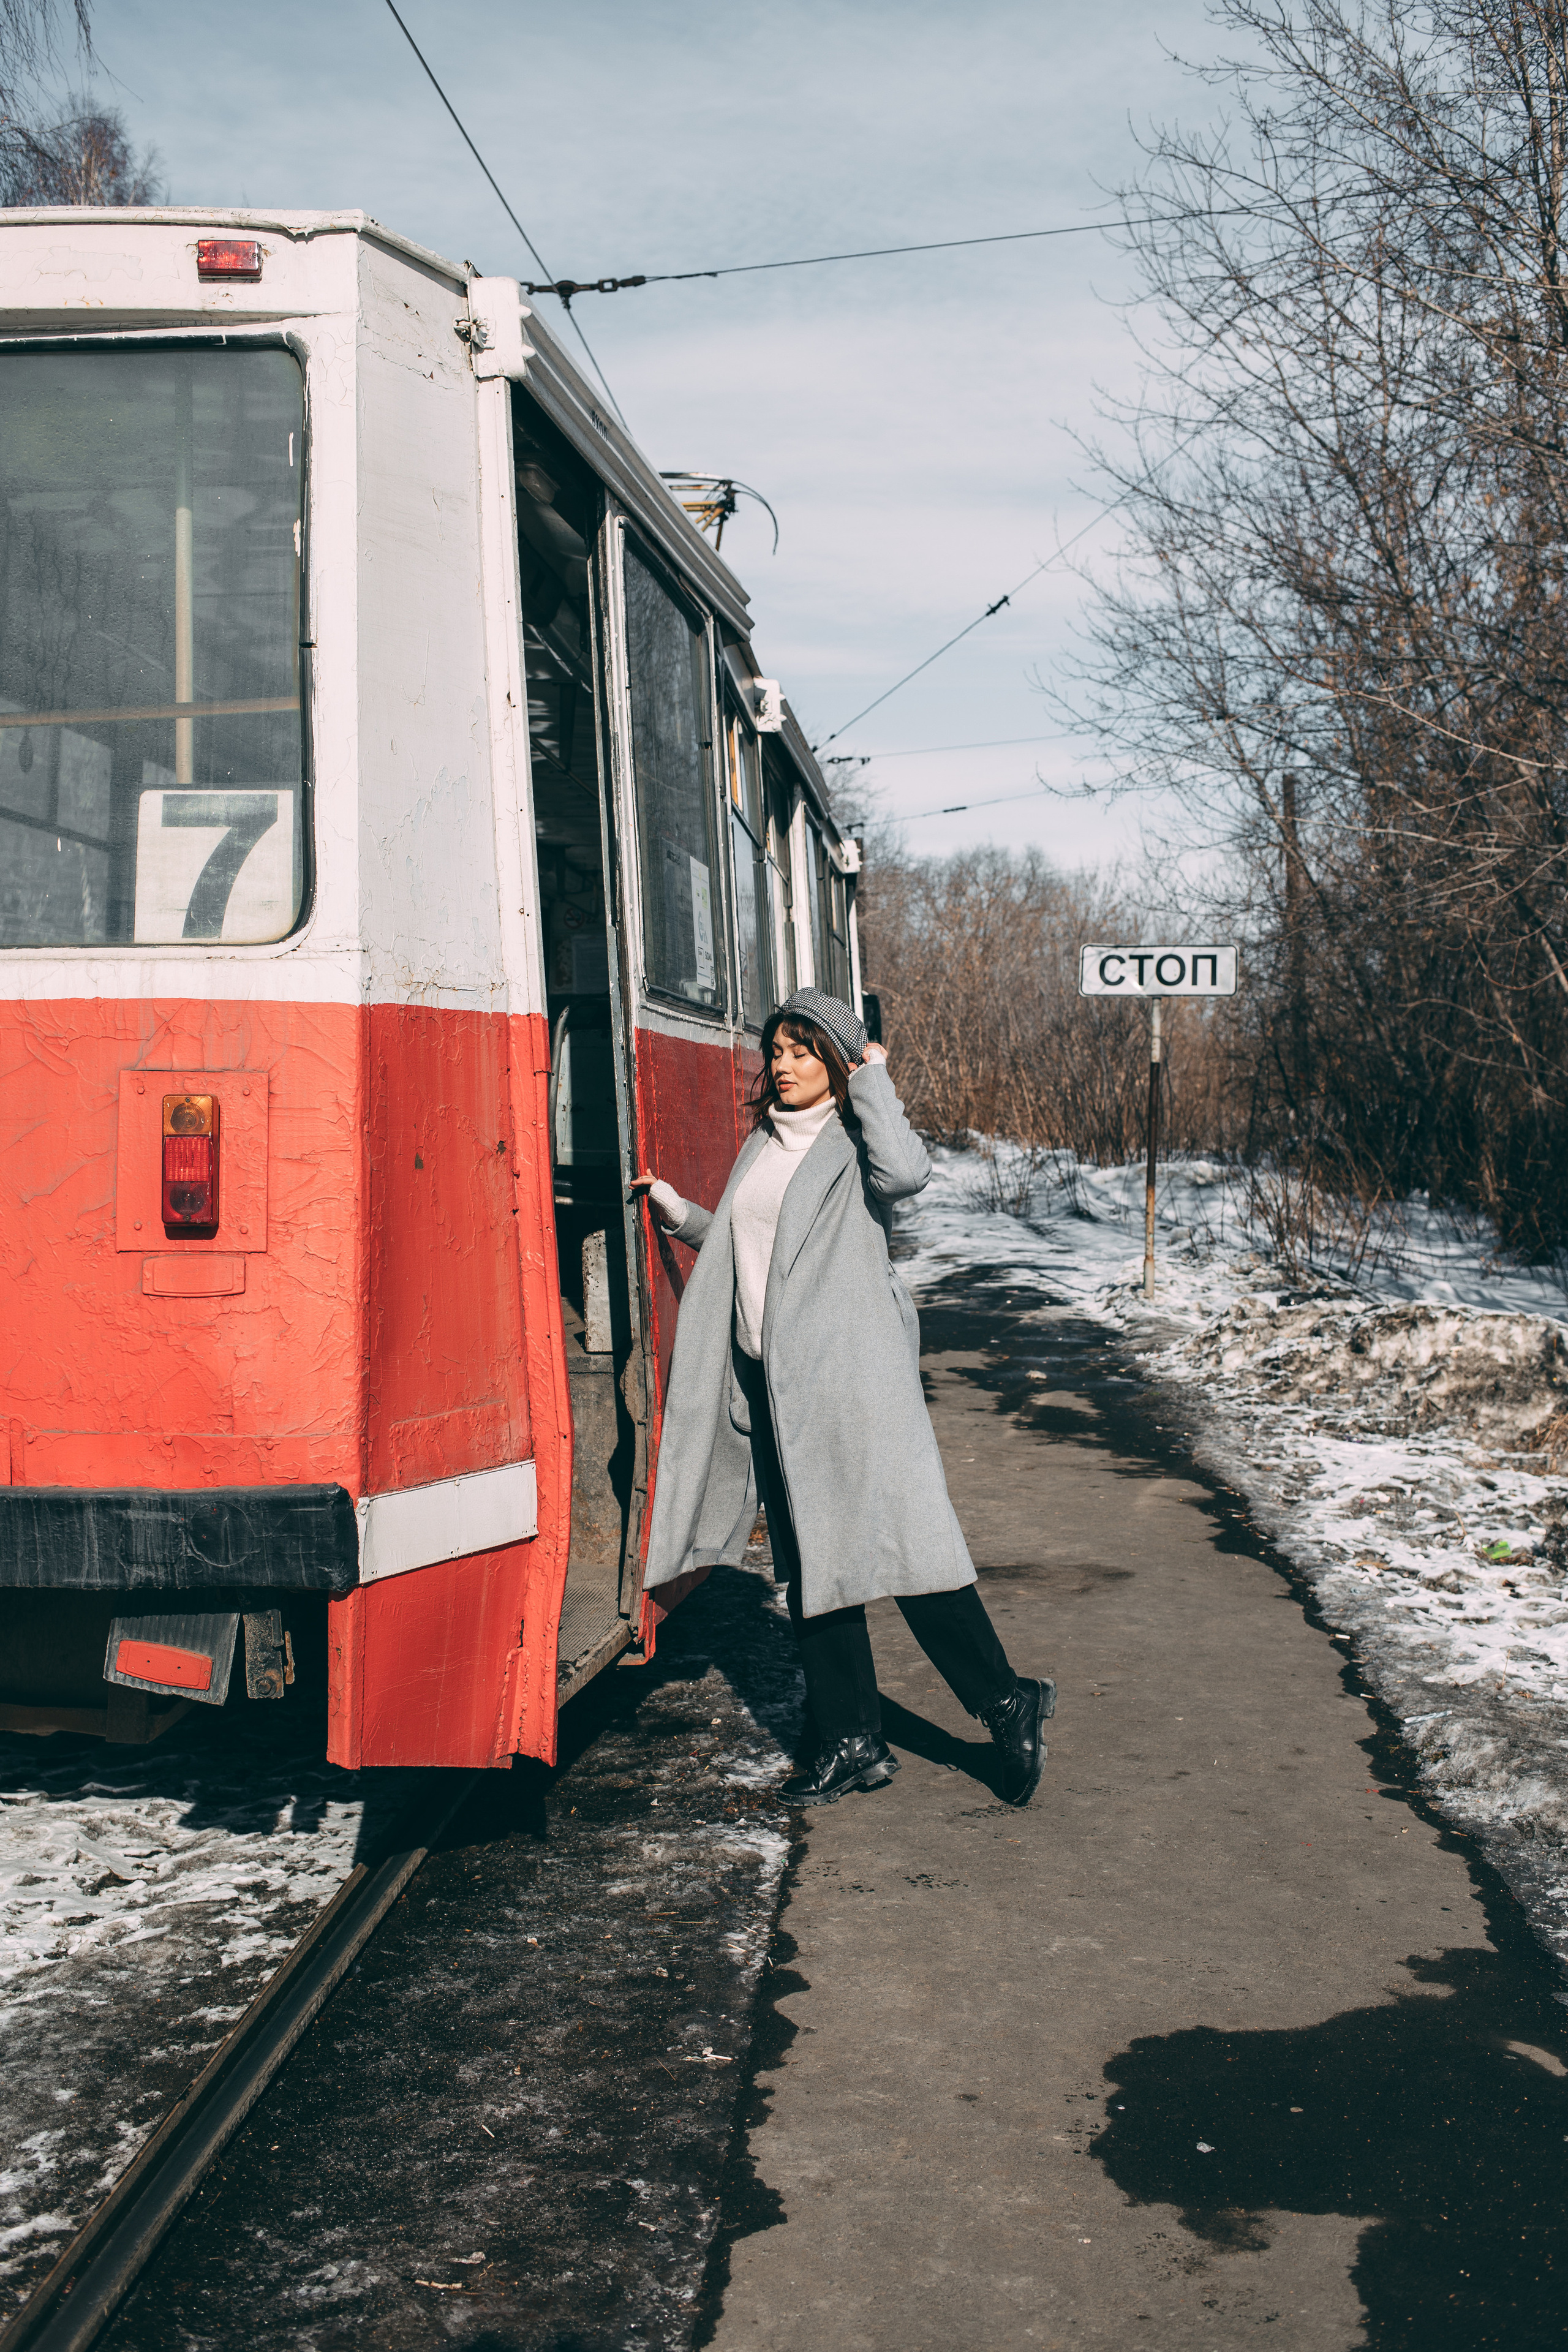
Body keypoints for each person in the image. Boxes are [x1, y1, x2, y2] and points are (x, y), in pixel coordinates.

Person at [631, 986, 1054, 1807]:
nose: (784, 1066)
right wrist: (680, 1212)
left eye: (803, 1051)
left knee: (911, 1555)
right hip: (781, 1394)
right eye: (778, 1052)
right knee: (813, 1571)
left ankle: (1007, 1699)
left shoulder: (857, 1142)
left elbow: (909, 1175)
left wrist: (873, 1077)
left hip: (854, 1386)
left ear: (836, 1060)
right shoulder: (763, 1145)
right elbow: (752, 1247)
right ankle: (852, 1740)